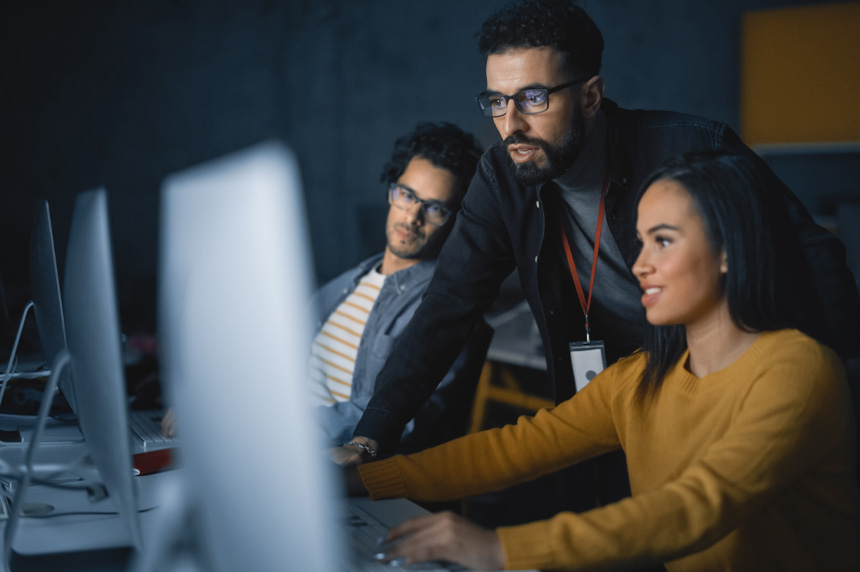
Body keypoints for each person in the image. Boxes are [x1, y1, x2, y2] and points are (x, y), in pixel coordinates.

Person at [337, 0, 860, 462]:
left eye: (533, 97)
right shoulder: (501, 175)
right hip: (606, 400)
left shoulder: (693, 149)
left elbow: (815, 261)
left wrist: (829, 396)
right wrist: (369, 440)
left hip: (719, 386)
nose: (510, 124)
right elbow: (447, 306)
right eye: (497, 100)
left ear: (590, 96)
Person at [348, 151, 860, 571]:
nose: (639, 264)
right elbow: (513, 449)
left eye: (663, 241)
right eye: (639, 242)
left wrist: (499, 549)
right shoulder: (639, 378)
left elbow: (698, 505)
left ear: (728, 251)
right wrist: (363, 479)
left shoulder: (799, 370)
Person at [307, 121, 489, 451]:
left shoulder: (447, 313)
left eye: (434, 208)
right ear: (392, 191)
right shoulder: (341, 286)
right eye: (407, 195)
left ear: (454, 219)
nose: (412, 217)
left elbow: (399, 416)